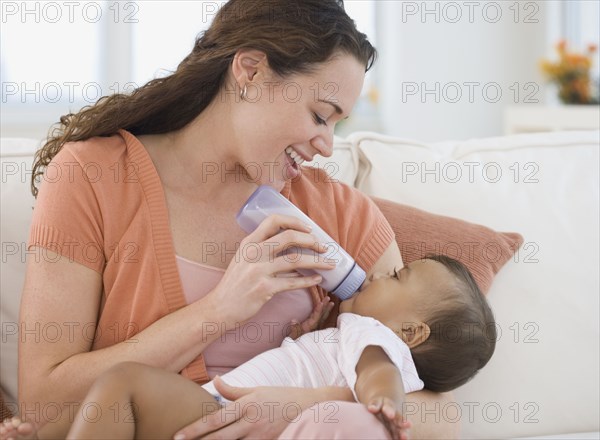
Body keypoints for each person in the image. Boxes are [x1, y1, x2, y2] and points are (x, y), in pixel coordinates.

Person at [14, 0, 462, 438]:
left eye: (335, 126)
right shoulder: (94, 176)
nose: (326, 145)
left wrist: (295, 406)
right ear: (250, 72)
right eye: (320, 115)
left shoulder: (342, 218)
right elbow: (46, 407)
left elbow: (440, 418)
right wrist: (219, 310)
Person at [2, 255, 496, 440]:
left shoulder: (377, 340)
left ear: (411, 334)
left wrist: (382, 400)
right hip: (227, 412)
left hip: (226, 412)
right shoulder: (351, 336)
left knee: (124, 384)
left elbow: (376, 374)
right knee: (116, 394)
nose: (383, 271)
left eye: (399, 276)